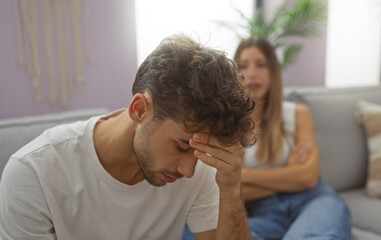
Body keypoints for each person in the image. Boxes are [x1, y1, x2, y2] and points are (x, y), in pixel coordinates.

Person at [0, 34, 256, 240]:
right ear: (140, 110)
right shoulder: (34, 173)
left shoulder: (198, 162)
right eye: (180, 146)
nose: (189, 170)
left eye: (198, 153)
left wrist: (231, 188)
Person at [234, 37, 352, 240]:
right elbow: (231, 193)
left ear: (273, 71)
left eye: (261, 65)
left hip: (312, 200)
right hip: (262, 214)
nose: (252, 73)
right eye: (244, 66)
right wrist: (289, 174)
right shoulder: (228, 125)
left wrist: (241, 175)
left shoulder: (298, 114)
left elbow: (308, 177)